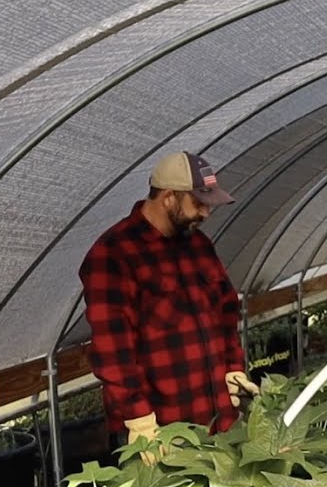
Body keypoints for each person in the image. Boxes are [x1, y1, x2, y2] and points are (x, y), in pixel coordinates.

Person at [79, 151, 260, 463]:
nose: (206, 213)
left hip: (217, 418)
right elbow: (113, 350)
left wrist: (233, 367)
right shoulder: (114, 254)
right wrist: (138, 419)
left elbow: (226, 311)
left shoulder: (198, 246)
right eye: (198, 202)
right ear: (168, 197)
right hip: (161, 429)